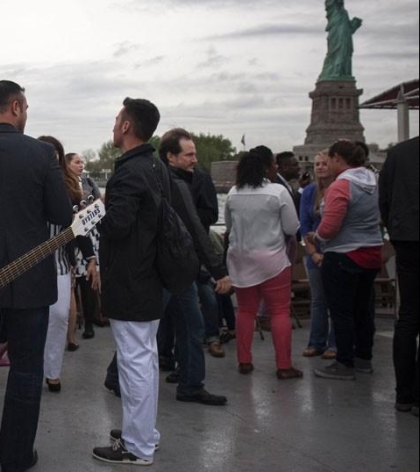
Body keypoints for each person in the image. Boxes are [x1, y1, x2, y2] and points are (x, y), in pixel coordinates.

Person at [0, 80, 72, 471]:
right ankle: (16, 456)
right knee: (25, 370)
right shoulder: (40, 153)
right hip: (30, 281)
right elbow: (61, 214)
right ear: (17, 106)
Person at [91, 98, 164, 466]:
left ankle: (136, 447)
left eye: (117, 118)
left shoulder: (129, 172)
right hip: (149, 277)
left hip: (130, 277)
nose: (114, 123)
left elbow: (117, 226)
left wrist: (96, 208)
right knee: (145, 359)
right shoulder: (154, 166)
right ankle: (143, 432)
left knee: (134, 361)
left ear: (125, 127)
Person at [157, 129, 231, 405]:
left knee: (187, 326)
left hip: (179, 268)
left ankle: (190, 383)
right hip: (173, 269)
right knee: (162, 327)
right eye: (189, 154)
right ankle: (188, 383)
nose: (194, 159)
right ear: (171, 157)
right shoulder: (175, 186)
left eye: (195, 154)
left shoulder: (176, 181)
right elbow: (197, 230)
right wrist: (218, 270)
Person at [223, 149, 302, 380]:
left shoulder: (233, 193)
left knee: (246, 311)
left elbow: (228, 227)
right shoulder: (278, 192)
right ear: (268, 167)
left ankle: (244, 360)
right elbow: (291, 228)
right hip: (272, 260)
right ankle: (284, 365)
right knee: (279, 312)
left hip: (240, 259)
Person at [308, 140, 383, 381]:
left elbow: (330, 227)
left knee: (341, 312)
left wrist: (316, 236)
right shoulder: (373, 181)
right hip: (372, 252)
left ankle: (344, 362)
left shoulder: (341, 185)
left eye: (329, 159)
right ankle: (364, 358)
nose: (327, 163)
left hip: (343, 255)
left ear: (338, 158)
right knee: (363, 310)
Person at [38, 135, 96, 392]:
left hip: (60, 260)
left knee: (60, 315)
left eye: (56, 155)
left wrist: (90, 256)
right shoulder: (28, 185)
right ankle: (36, 366)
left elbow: (79, 227)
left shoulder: (68, 188)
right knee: (33, 319)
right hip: (32, 263)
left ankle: (52, 369)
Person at [379, 136, 419, 414]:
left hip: (406, 239)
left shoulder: (399, 153)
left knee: (408, 317)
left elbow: (384, 199)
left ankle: (404, 395)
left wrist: (396, 232)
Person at [300, 149, 337, 359]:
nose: (321, 167)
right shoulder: (308, 192)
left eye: (324, 163)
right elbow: (304, 224)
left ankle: (335, 344)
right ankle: (316, 342)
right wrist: (312, 252)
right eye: (317, 164)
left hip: (336, 251)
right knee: (318, 300)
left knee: (336, 301)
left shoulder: (339, 189)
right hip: (314, 253)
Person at [65, 152, 103, 339]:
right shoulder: (63, 184)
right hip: (72, 236)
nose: (81, 165)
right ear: (67, 164)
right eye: (77, 162)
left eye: (82, 162)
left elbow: (99, 204)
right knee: (72, 283)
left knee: (88, 282)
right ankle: (70, 329)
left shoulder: (88, 182)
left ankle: (89, 322)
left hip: (89, 233)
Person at [318, 0, 362, 81]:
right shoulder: (332, 8)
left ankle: (343, 73)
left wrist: (355, 25)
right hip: (335, 34)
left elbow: (350, 28)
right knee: (333, 53)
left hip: (345, 36)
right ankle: (332, 72)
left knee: (345, 53)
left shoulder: (344, 12)